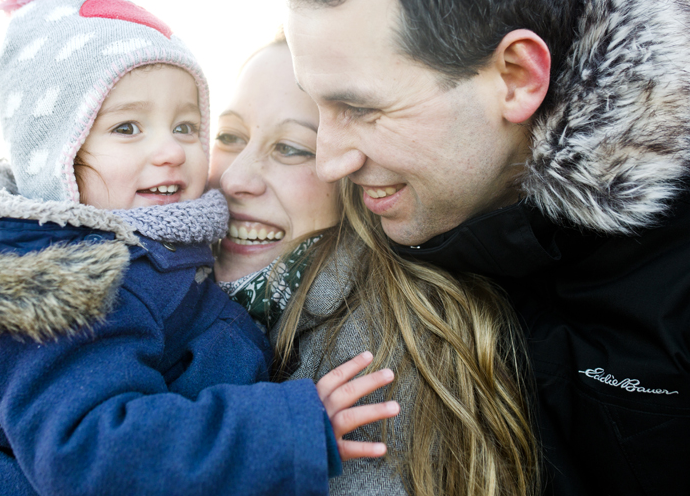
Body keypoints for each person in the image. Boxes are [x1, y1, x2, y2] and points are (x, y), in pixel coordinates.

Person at [270, 0, 690, 495]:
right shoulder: (374, 214)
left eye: (361, 108)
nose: (331, 159)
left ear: (518, 75)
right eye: (316, 106)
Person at [0, 0, 398, 496]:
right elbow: (91, 454)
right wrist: (288, 428)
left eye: (187, 127)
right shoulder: (59, 291)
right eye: (128, 128)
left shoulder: (154, 260)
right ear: (60, 160)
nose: (171, 150)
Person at [209, 33, 540, 496]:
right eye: (228, 136)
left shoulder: (381, 356)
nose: (235, 178)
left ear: (353, 177)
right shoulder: (160, 285)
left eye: (292, 148)